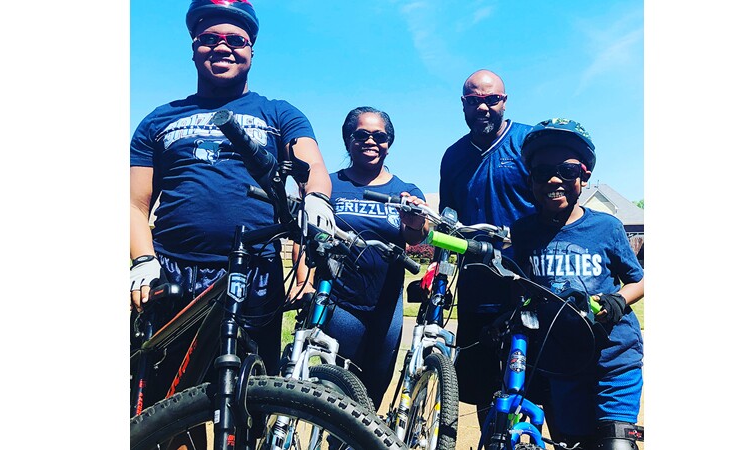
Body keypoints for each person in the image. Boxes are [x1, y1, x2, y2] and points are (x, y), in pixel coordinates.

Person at [130, 0, 335, 406]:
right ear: (193, 47)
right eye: (210, 38)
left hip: (254, 273)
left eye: (235, 40)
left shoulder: (279, 113)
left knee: (248, 403)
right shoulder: (158, 119)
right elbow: (133, 204)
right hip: (173, 272)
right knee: (166, 406)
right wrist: (142, 260)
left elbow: (312, 167)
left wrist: (316, 198)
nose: (222, 46)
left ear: (251, 51)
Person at [510, 118, 644, 449]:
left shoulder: (606, 227)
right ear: (530, 179)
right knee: (573, 444)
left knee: (616, 445)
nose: (554, 179)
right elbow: (521, 284)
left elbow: (639, 280)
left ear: (584, 176)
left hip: (613, 359)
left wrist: (618, 300)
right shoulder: (523, 232)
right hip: (561, 364)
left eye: (567, 171)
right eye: (543, 172)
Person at [294, 106, 428, 409]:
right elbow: (305, 236)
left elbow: (415, 237)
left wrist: (414, 221)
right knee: (338, 391)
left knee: (373, 392)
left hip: (386, 305)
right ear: (348, 140)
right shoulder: (328, 185)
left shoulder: (405, 190)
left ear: (389, 143)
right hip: (341, 301)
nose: (371, 141)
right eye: (362, 135)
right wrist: (304, 281)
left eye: (379, 136)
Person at [438, 69, 538, 423]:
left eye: (491, 99)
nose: (483, 107)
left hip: (527, 286)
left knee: (531, 385)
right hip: (476, 288)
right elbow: (447, 220)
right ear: (463, 104)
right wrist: (439, 270)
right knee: (483, 389)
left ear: (504, 101)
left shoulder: (529, 142)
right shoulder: (453, 156)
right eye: (474, 100)